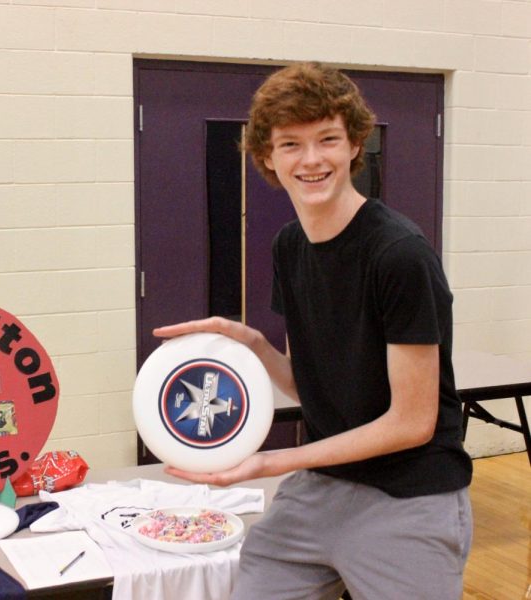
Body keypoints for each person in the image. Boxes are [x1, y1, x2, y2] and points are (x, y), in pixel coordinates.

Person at [154, 62, 473, 599]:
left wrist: (273, 461)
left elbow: (412, 423)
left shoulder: (399, 254)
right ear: (268, 159)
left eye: (327, 139)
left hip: (409, 496)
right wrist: (250, 342)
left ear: (354, 145)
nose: (311, 160)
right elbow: (310, 386)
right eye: (290, 145)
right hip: (323, 489)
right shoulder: (289, 246)